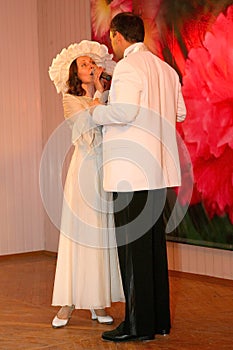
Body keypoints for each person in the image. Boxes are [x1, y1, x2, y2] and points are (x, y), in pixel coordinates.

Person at [91, 13, 187, 342]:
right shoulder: (166, 69)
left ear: (118, 36)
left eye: (111, 39)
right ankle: (158, 321)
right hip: (159, 171)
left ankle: (136, 325)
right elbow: (180, 113)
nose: (111, 45)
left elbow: (124, 112)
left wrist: (96, 110)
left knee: (132, 251)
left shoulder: (129, 68)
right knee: (153, 249)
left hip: (131, 173)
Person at [48, 40, 124, 329]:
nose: (90, 67)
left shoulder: (109, 95)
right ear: (74, 73)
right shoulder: (70, 99)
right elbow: (89, 129)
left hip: (105, 171)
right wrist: (100, 95)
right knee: (80, 234)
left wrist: (104, 95)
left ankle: (97, 301)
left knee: (101, 235)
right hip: (84, 171)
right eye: (83, 64)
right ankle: (68, 301)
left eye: (91, 63)